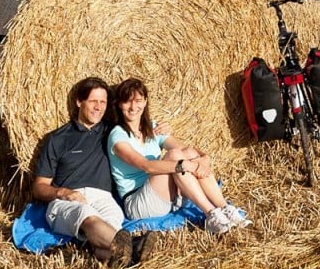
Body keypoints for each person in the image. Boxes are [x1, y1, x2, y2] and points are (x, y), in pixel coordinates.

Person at [32, 76, 160, 268]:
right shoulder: (58, 139)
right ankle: (135, 247)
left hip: (103, 198)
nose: (98, 107)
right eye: (93, 101)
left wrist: (159, 128)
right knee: (87, 214)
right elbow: (39, 187)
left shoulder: (112, 132)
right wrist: (63, 192)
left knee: (112, 223)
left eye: (103, 102)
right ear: (79, 101)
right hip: (66, 201)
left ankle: (116, 255)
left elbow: (137, 120)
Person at [107, 77, 252, 235]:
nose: (133, 107)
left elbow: (186, 149)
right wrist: (186, 165)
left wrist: (204, 158)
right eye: (127, 101)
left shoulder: (153, 128)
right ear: (119, 104)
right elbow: (145, 166)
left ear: (146, 101)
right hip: (139, 202)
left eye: (138, 100)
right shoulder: (117, 136)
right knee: (176, 156)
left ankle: (225, 208)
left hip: (166, 196)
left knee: (188, 153)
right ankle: (211, 214)